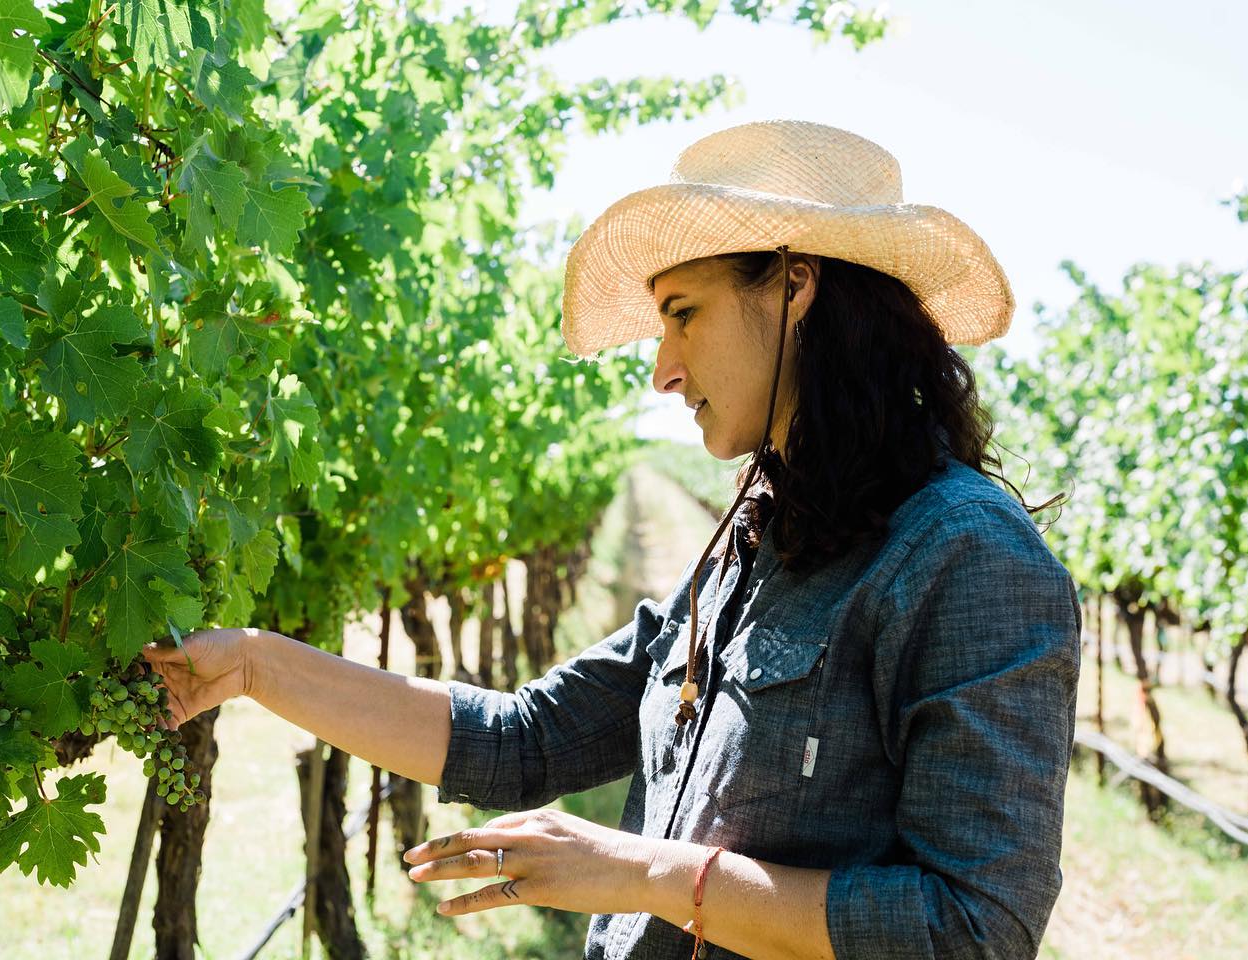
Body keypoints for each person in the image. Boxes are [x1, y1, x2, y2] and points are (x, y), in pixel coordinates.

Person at [145, 120, 1082, 960]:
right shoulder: (754, 543)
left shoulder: (966, 561)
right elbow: (525, 742)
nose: (665, 371)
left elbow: (975, 931)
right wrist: (260, 668)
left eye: (684, 313)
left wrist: (647, 876)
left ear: (795, 287)